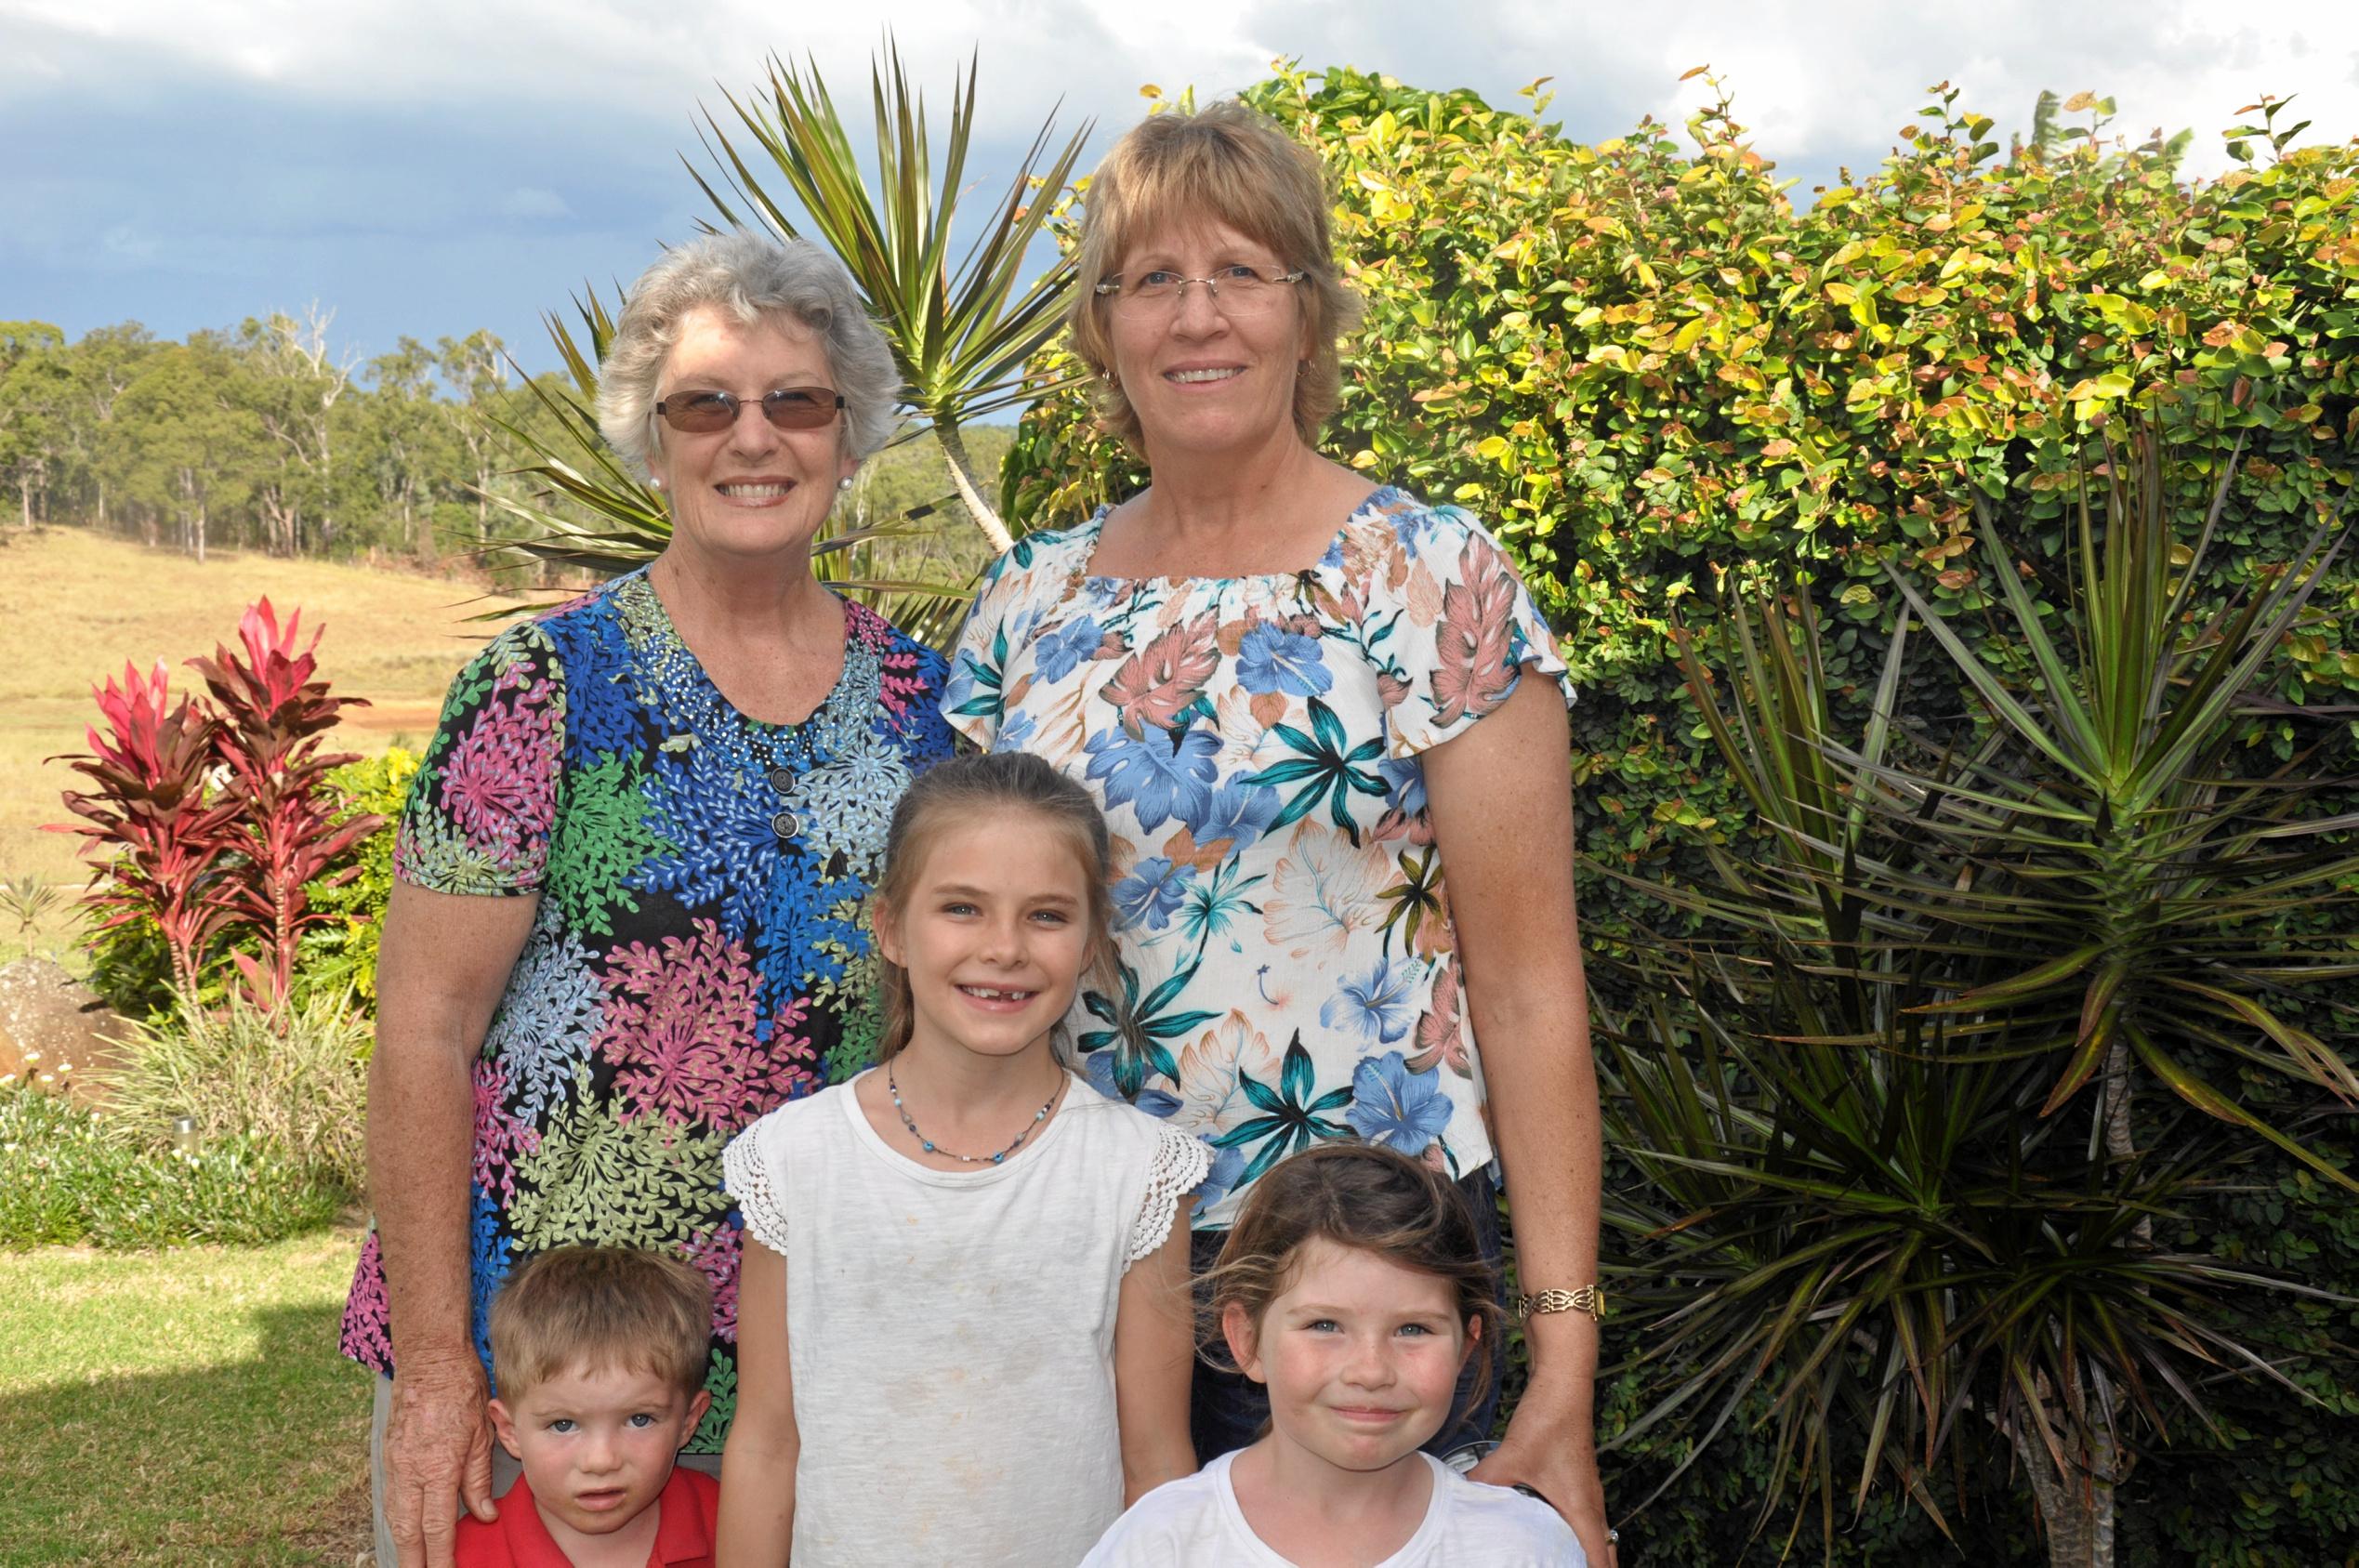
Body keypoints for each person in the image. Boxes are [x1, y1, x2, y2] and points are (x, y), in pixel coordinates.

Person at [942, 100, 1614, 1562]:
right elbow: (960, 954)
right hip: (1070, 1260)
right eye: (1151, 279)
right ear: (1100, 328)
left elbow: (1526, 980)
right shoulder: (1024, 608)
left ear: (1311, 313)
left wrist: (1560, 1348)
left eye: (1243, 272)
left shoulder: (1433, 579)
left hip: (1357, 1289)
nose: (1200, 317)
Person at [349, 229, 957, 1568]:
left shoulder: (926, 713)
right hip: (543, 1377)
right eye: (707, 404)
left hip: (797, 1377)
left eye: (795, 401)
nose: (755, 436)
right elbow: (423, 1023)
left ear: (849, 437)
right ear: (655, 436)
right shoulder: (540, 686)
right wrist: (446, 1366)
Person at [716, 751, 1206, 1565]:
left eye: (1047, 915)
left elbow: (1155, 1464)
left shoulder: (1138, 1173)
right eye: (962, 908)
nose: (1004, 948)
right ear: (890, 928)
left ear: (1091, 942)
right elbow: (768, 1443)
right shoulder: (796, 1161)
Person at [1082, 1143, 1584, 1567]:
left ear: (1465, 1347)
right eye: (1325, 1325)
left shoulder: (1522, 1548)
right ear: (1247, 1339)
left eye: (1413, 1329)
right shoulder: (1161, 1544)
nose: (1370, 1371)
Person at [459, 1247, 720, 1567]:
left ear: (688, 1421)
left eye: (640, 1419)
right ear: (509, 1430)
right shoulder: (463, 1555)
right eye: (563, 1424)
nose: (601, 1461)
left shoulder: (732, 1524)